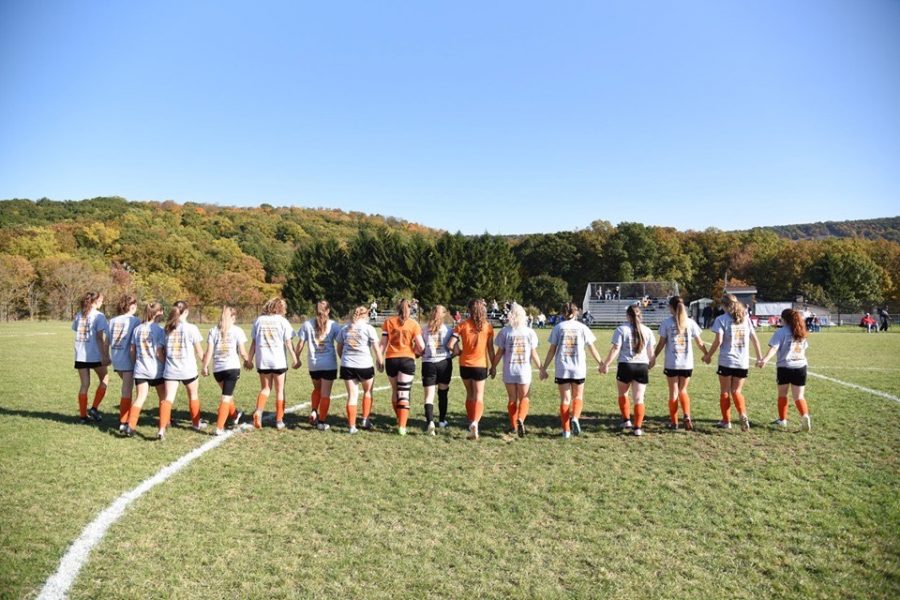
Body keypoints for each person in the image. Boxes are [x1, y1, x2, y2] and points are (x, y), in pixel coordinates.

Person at [540, 302, 604, 438]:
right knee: (578, 396)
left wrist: (544, 368)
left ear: (563, 313)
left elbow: (552, 350)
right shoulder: (582, 327)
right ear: (576, 313)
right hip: (578, 367)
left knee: (565, 399)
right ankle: (575, 417)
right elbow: (591, 348)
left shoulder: (558, 327)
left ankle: (566, 431)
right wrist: (601, 363)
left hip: (562, 367)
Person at [703, 294, 763, 431]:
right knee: (737, 391)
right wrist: (759, 357)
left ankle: (726, 421)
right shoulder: (746, 320)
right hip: (742, 362)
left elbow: (718, 341)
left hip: (727, 360)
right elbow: (755, 339)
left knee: (725, 392)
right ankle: (742, 414)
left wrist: (708, 355)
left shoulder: (721, 319)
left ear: (724, 305)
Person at [599, 304, 656, 436]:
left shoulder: (621, 329)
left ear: (628, 315)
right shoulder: (647, 330)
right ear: (640, 315)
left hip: (626, 365)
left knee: (623, 394)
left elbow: (615, 349)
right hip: (641, 366)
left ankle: (626, 421)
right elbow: (651, 353)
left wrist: (606, 364)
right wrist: (651, 364)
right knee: (639, 398)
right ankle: (638, 428)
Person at [652, 296, 707, 431]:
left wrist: (653, 357)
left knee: (673, 392)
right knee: (683, 390)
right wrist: (706, 354)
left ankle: (674, 422)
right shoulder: (690, 322)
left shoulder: (666, 323)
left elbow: (661, 343)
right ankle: (687, 414)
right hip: (687, 363)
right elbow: (700, 342)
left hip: (672, 363)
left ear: (671, 307)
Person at [246, 297, 298, 430]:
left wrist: (249, 359)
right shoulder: (282, 321)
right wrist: (295, 358)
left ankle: (258, 411)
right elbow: (288, 342)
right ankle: (279, 420)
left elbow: (254, 343)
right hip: (278, 360)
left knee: (265, 389)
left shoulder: (259, 320)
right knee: (280, 390)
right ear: (281, 308)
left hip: (263, 360)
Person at [448, 299, 495, 440]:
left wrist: (459, 351)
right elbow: (491, 350)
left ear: (469, 310)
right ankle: (475, 422)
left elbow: (451, 344)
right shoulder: (488, 327)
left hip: (465, 365)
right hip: (481, 365)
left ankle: (470, 422)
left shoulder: (461, 325)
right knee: (479, 395)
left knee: (470, 394)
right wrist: (493, 366)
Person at [758, 308, 812, 431]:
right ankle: (804, 415)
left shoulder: (781, 332)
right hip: (801, 367)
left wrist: (765, 360)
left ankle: (782, 420)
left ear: (784, 319)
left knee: (782, 394)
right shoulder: (802, 332)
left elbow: (774, 348)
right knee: (799, 396)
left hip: (785, 366)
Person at [492, 302, 540, 437]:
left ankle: (513, 426)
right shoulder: (530, 332)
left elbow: (499, 352)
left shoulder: (505, 332)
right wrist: (541, 368)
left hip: (509, 370)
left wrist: (493, 367)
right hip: (524, 370)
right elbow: (533, 353)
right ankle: (521, 419)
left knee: (512, 399)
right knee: (525, 397)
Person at [159, 300, 205, 439]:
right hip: (188, 369)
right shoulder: (191, 328)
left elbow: (162, 350)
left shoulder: (167, 328)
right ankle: (196, 423)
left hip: (171, 369)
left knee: (168, 399)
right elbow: (199, 350)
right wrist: (205, 365)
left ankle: (162, 428)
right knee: (193, 395)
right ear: (185, 312)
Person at [201, 305, 249, 436]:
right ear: (232, 317)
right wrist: (248, 361)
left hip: (218, 369)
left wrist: (205, 366)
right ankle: (219, 427)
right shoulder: (237, 330)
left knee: (227, 394)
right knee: (226, 397)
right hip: (232, 367)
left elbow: (209, 351)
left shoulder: (213, 330)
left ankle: (234, 415)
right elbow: (243, 351)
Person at [381, 299, 425, 435]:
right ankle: (402, 426)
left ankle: (398, 417)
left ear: (397, 308)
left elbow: (382, 344)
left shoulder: (388, 322)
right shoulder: (414, 324)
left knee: (395, 391)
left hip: (391, 359)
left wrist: (378, 359)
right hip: (407, 359)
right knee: (404, 392)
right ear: (410, 309)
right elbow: (421, 346)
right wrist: (417, 353)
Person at [337, 306, 384, 433]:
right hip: (364, 365)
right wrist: (380, 361)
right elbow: (376, 348)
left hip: (347, 366)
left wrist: (345, 360)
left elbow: (339, 348)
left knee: (352, 396)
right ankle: (365, 419)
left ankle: (352, 427)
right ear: (365, 315)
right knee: (368, 392)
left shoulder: (345, 328)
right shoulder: (369, 328)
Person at [122, 302, 166, 437]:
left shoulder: (138, 329)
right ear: (158, 313)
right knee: (163, 398)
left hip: (140, 369)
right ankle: (163, 425)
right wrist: (166, 364)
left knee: (140, 398)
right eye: (162, 311)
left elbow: (132, 350)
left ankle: (130, 426)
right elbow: (159, 353)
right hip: (156, 369)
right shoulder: (159, 330)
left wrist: (137, 363)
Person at [295, 300, 340, 429]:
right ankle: (321, 422)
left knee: (317, 389)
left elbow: (300, 344)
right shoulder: (334, 325)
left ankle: (314, 411)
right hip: (329, 365)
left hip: (314, 365)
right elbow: (342, 341)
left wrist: (296, 358)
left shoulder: (307, 324)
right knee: (325, 394)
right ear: (328, 310)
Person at [72, 291, 110, 424]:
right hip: (94, 355)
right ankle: (94, 408)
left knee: (84, 385)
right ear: (95, 301)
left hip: (80, 355)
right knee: (105, 379)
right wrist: (105, 355)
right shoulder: (99, 316)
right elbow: (100, 338)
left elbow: (77, 330)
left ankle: (83, 416)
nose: (102, 302)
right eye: (101, 300)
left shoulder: (79, 314)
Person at [107, 294, 140, 432]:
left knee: (127, 389)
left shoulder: (113, 320)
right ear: (132, 306)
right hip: (128, 358)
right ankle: (123, 421)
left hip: (116, 357)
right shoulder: (135, 321)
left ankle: (126, 417)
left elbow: (106, 340)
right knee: (126, 390)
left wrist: (105, 355)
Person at [420, 304, 455, 433]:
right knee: (443, 393)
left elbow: (420, 348)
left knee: (429, 396)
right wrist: (454, 355)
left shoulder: (424, 329)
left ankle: (430, 422)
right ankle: (441, 420)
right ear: (444, 314)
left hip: (428, 363)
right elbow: (454, 348)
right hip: (444, 362)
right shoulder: (449, 330)